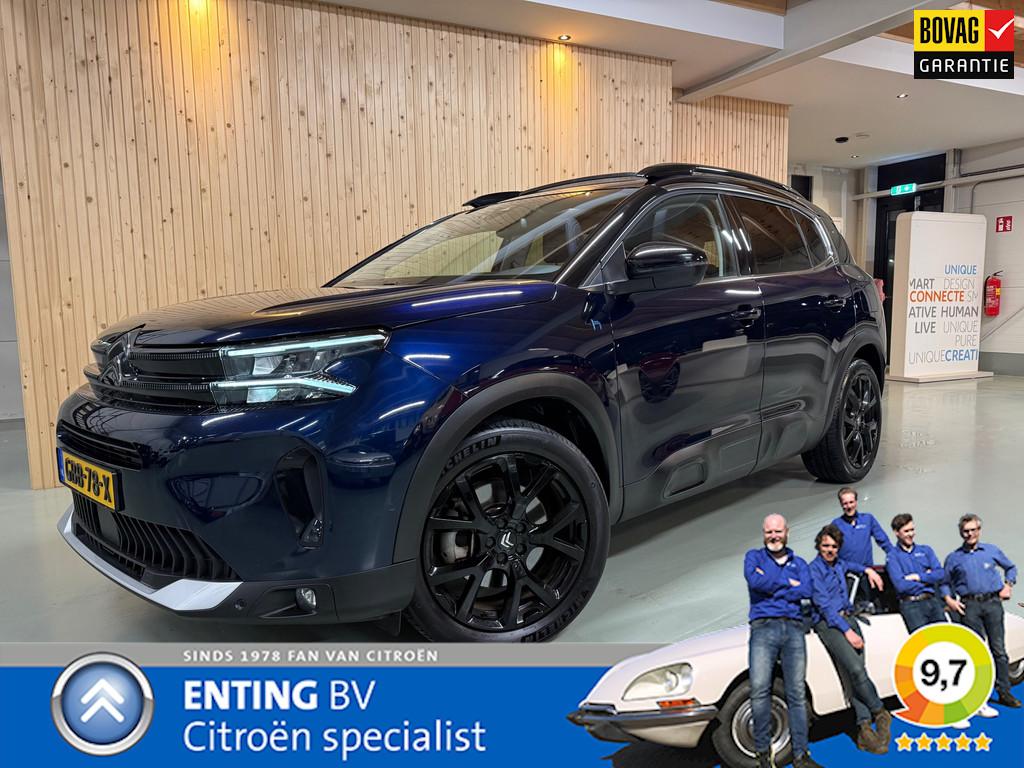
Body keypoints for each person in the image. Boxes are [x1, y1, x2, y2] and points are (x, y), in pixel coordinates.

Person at [745, 514, 822, 768]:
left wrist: (772, 586)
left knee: (797, 693)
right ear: (763, 533)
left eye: (778, 531)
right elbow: (755, 581)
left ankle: (801, 756)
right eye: (769, 532)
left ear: (787, 532)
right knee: (759, 690)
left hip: (793, 629)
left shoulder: (799, 563)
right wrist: (789, 584)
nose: (774, 536)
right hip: (763, 628)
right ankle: (763, 756)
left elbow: (806, 591)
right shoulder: (753, 557)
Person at [810, 524, 891, 754]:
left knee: (857, 673)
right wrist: (848, 631)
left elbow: (854, 566)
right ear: (818, 546)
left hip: (849, 617)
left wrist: (869, 571)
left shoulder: (840, 564)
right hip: (830, 624)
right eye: (826, 546)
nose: (830, 550)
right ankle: (880, 711)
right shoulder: (813, 570)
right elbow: (825, 607)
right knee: (855, 670)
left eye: (834, 547)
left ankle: (863, 729)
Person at [942, 514, 1021, 709]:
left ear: (979, 530)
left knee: (998, 650)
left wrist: (1008, 585)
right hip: (969, 607)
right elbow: (944, 582)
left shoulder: (991, 551)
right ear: (961, 533)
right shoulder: (954, 558)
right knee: (976, 652)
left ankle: (1004, 692)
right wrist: (949, 600)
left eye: (973, 530)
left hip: (993, 604)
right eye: (966, 531)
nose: (970, 534)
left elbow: (1011, 568)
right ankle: (979, 696)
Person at [886, 514, 946, 632]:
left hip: (932, 601)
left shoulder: (926, 551)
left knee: (942, 637)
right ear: (896, 532)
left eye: (912, 530)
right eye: (906, 531)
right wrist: (928, 579)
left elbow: (940, 574)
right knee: (923, 640)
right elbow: (901, 585)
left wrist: (918, 577)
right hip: (911, 605)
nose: (911, 534)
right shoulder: (893, 556)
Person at [832, 488, 891, 607]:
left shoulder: (868, 519)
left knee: (869, 606)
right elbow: (831, 553)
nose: (849, 506)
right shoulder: (836, 525)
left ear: (856, 502)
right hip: (847, 576)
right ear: (841, 504)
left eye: (851, 502)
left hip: (867, 575)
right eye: (845, 503)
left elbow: (884, 542)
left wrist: (897, 559)